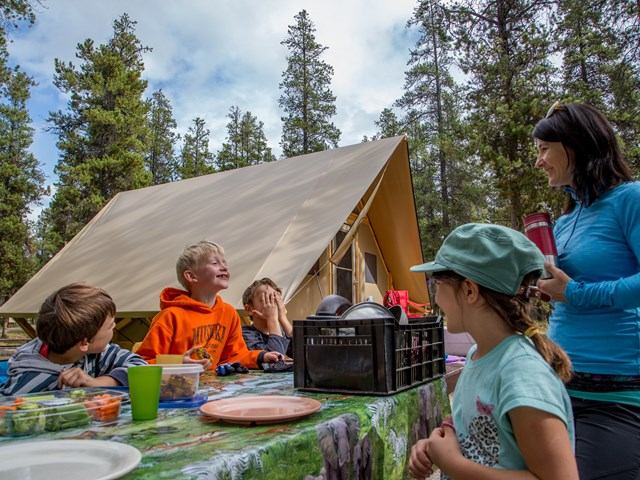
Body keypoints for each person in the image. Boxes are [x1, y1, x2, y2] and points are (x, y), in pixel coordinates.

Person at [408, 223, 578, 480]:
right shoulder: (479, 354)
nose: (436, 298)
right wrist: (443, 438)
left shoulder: (522, 376)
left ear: (469, 290)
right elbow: (474, 419)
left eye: (437, 283)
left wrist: (453, 464)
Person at [533, 102, 640, 479]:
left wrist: (575, 293)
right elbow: (565, 293)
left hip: (616, 394)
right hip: (560, 387)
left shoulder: (630, 199)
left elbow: (578, 292)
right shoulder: (564, 222)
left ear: (575, 145)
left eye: (545, 149)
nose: (538, 161)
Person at [136, 241, 281, 370]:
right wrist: (178, 364)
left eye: (224, 263)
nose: (224, 267)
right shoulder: (170, 317)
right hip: (177, 390)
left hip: (213, 389)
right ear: (191, 276)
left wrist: (260, 357)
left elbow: (234, 356)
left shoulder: (229, 313)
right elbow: (141, 363)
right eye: (215, 263)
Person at [1, 283, 146, 396]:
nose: (114, 326)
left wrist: (97, 383)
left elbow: (142, 369)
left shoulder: (97, 352)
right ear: (84, 343)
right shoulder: (30, 383)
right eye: (109, 326)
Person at [242, 278, 293, 356]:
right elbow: (273, 362)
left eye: (275, 299)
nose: (273, 304)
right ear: (249, 309)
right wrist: (272, 319)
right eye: (267, 299)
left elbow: (306, 356)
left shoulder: (281, 332)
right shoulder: (245, 334)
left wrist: (283, 318)